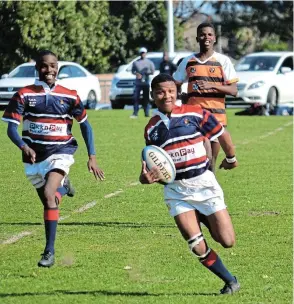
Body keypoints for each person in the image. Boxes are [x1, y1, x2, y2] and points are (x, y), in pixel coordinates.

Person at [2, 50, 105, 268]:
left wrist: (92, 156)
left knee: (49, 196)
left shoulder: (70, 95)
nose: (49, 70)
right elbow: (11, 129)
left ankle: (49, 252)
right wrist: (23, 145)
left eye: (53, 65)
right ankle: (64, 188)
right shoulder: (24, 94)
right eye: (44, 65)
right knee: (51, 201)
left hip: (61, 151)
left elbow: (85, 125)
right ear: (37, 68)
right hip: (33, 157)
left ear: (58, 67)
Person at [140, 73, 240, 295]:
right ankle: (230, 280)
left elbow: (221, 134)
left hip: (204, 184)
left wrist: (231, 158)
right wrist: (146, 179)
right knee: (196, 245)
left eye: (170, 91)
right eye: (160, 92)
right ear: (152, 95)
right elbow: (149, 166)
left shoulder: (195, 113)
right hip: (177, 192)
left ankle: (204, 216)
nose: (166, 95)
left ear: (176, 93)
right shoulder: (151, 128)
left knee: (227, 240)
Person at [173, 22, 238, 173]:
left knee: (210, 163)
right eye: (202, 34)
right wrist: (180, 96)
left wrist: (212, 86)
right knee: (198, 160)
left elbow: (234, 90)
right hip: (193, 117)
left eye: (209, 34)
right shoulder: (188, 61)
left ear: (214, 38)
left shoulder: (223, 61)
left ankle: (212, 191)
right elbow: (175, 82)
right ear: (197, 38)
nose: (206, 37)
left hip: (216, 117)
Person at [130, 47, 155, 118]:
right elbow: (132, 71)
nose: (142, 54)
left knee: (146, 99)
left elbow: (152, 71)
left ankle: (146, 113)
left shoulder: (149, 62)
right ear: (139, 54)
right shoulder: (135, 62)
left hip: (146, 83)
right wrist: (136, 74)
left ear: (146, 53)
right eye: (141, 53)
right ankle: (135, 113)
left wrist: (147, 73)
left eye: (144, 53)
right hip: (138, 83)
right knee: (136, 98)